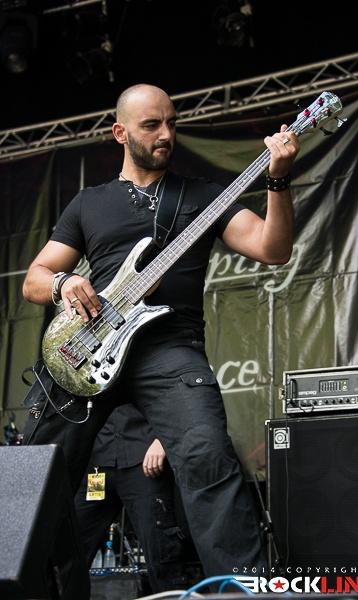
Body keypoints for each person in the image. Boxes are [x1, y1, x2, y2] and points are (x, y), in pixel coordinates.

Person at [22, 83, 299, 597]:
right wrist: (64, 283)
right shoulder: (89, 203)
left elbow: (272, 248)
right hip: (89, 346)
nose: (166, 134)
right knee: (34, 472)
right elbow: (34, 280)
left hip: (171, 351)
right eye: (151, 125)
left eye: (171, 122)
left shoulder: (204, 195)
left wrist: (277, 180)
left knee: (208, 461)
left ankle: (243, 591)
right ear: (120, 132)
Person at [74, 403, 188, 592]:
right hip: (98, 462)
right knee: (72, 545)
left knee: (160, 548)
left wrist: (162, 440)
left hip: (143, 459)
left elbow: (179, 401)